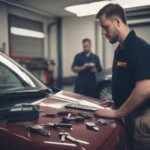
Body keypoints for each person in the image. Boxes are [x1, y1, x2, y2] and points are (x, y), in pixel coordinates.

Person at [94, 3, 150, 149]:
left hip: (142, 118)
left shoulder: (140, 47)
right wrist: (115, 103)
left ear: (117, 22)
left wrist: (118, 113)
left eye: (105, 27)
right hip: (129, 114)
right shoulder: (120, 50)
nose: (103, 32)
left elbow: (145, 88)